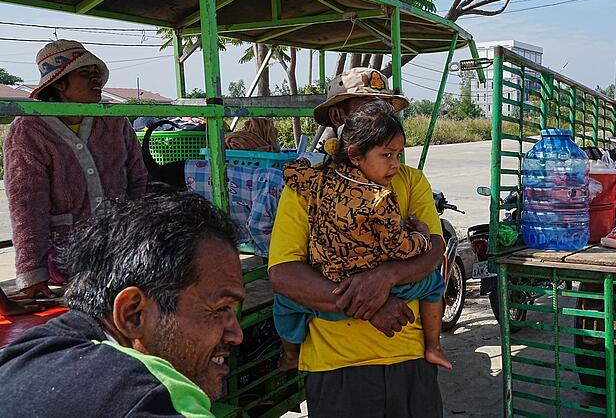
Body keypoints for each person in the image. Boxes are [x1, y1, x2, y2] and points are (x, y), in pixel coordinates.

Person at [269, 67, 446, 417]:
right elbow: (284, 273)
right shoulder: (310, 185)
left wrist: (387, 278)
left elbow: (435, 249)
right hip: (336, 366)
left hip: (408, 357)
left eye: (388, 111)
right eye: (369, 110)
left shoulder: (409, 180)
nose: (382, 118)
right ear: (339, 117)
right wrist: (370, 305)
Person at [0, 192, 245, 416]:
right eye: (220, 309)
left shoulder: (22, 355)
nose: (237, 335)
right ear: (133, 313)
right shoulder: (151, 397)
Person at [3, 39, 147, 299]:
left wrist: (138, 237)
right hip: (66, 256)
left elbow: (138, 181)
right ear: (58, 83)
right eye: (84, 73)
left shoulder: (114, 122)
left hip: (121, 246)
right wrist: (32, 272)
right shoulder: (29, 130)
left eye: (97, 74)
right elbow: (27, 205)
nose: (96, 80)